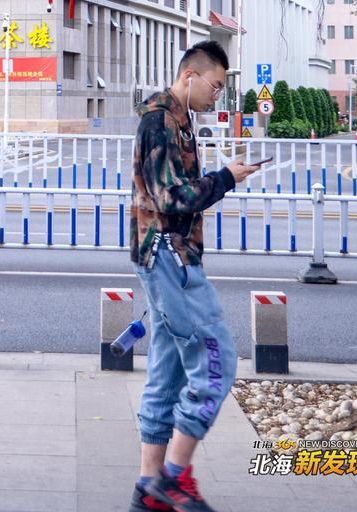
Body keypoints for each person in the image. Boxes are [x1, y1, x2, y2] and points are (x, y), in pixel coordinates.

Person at [129, 40, 260, 512]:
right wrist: (226, 177)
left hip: (166, 256)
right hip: (170, 257)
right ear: (190, 75)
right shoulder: (162, 121)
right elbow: (172, 198)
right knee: (217, 362)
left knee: (165, 375)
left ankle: (149, 489)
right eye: (216, 86)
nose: (217, 96)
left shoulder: (178, 121)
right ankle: (175, 476)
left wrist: (226, 177)